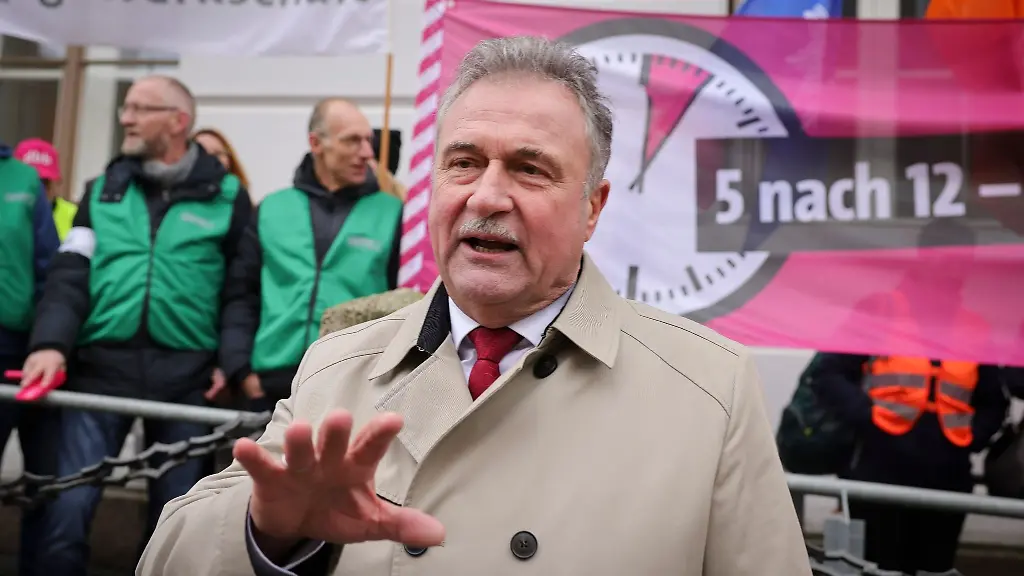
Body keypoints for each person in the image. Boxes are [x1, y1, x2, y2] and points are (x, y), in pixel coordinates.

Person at [138, 37, 810, 575]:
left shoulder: (710, 388)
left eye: (529, 168)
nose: (486, 196)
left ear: (592, 209)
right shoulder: (338, 368)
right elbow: (166, 558)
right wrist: (270, 536)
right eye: (463, 162)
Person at [21, 74, 253, 575]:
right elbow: (69, 274)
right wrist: (50, 344)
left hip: (187, 379)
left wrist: (230, 361)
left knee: (177, 523)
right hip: (100, 372)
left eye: (139, 109)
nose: (125, 118)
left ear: (178, 121)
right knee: (67, 509)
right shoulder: (102, 189)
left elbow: (240, 290)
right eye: (125, 107)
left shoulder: (227, 196)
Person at [811, 220, 1009, 574]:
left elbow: (994, 401)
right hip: (880, 469)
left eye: (963, 259)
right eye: (945, 256)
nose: (954, 267)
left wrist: (971, 439)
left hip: (947, 475)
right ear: (923, 255)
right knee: (878, 568)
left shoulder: (975, 327)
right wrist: (868, 418)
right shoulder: (881, 308)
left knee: (935, 570)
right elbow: (828, 374)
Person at [219, 98, 402, 413]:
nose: (367, 153)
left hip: (352, 382)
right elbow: (241, 293)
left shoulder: (394, 213)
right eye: (352, 141)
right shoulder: (272, 208)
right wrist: (241, 370)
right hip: (270, 383)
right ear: (316, 143)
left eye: (368, 140)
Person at [0, 142, 60, 576]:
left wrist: (49, 342)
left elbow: (50, 269)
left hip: (25, 350)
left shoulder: (21, 179)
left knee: (44, 481)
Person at [13, 138, 78, 241]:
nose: (38, 190)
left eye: (44, 182)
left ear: (57, 183)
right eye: (29, 182)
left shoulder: (74, 216)